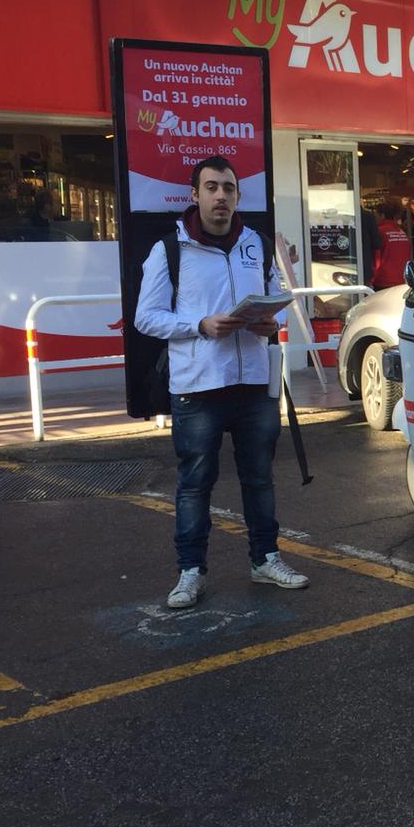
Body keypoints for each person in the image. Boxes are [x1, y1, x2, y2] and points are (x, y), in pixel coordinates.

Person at [134, 156, 310, 609]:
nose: (220, 197)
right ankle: (190, 572)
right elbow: (146, 318)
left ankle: (265, 559)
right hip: (198, 385)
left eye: (228, 188)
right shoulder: (169, 249)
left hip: (253, 382)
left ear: (237, 196)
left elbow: (277, 300)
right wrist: (200, 325)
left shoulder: (257, 243)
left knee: (260, 479)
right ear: (195, 195)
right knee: (195, 484)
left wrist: (272, 322)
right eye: (211, 187)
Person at [373, 198, 412, 289]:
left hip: (382, 281)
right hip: (401, 281)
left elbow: (376, 259)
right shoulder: (402, 233)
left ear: (382, 215)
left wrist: (370, 280)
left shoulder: (380, 232)